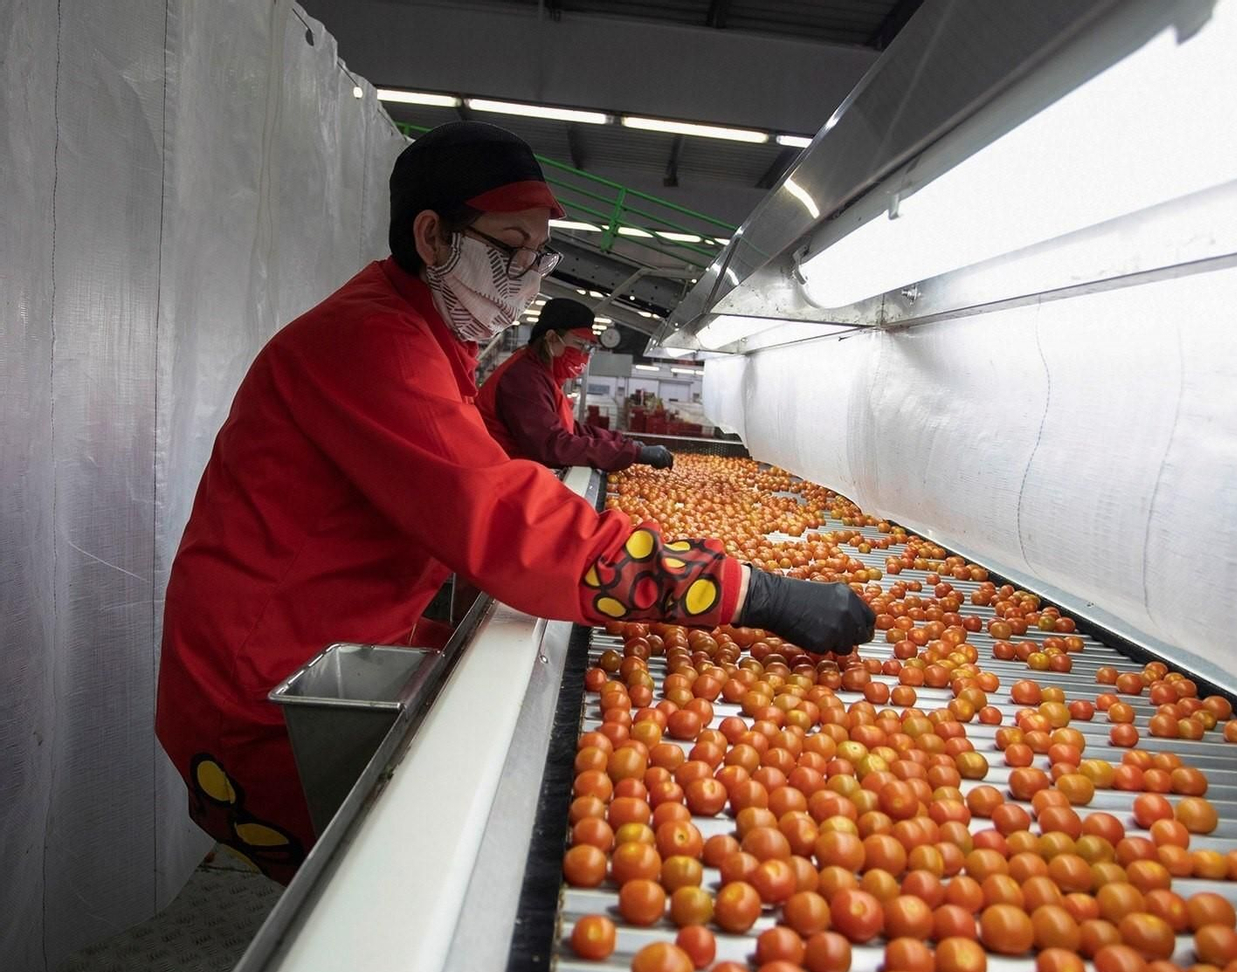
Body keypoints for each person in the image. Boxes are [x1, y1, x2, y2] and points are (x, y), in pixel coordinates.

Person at [155, 122, 874, 884]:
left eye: (540, 255)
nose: (530, 277)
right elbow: (507, 522)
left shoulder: (427, 335)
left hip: (330, 638)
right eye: (511, 249)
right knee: (363, 891)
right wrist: (745, 590)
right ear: (432, 236)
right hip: (265, 691)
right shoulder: (378, 343)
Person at [477, 297, 674, 472]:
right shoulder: (523, 378)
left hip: (515, 472)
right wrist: (632, 453)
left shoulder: (543, 374)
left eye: (587, 348)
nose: (584, 355)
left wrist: (623, 443)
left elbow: (570, 429)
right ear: (552, 338)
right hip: (498, 476)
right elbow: (552, 445)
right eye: (579, 345)